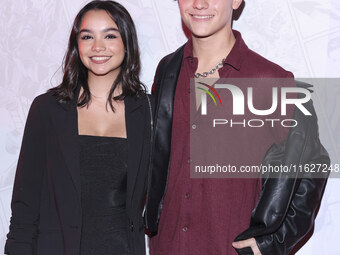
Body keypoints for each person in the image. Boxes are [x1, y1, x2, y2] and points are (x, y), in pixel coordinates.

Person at [144, 0, 329, 254]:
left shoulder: (270, 80)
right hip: (167, 246)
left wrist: (275, 241)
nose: (199, 4)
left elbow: (314, 164)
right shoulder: (167, 70)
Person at [4, 1, 152, 255]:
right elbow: (25, 205)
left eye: (110, 35)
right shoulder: (48, 109)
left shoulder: (148, 111)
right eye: (87, 36)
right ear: (77, 45)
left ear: (127, 43)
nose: (98, 47)